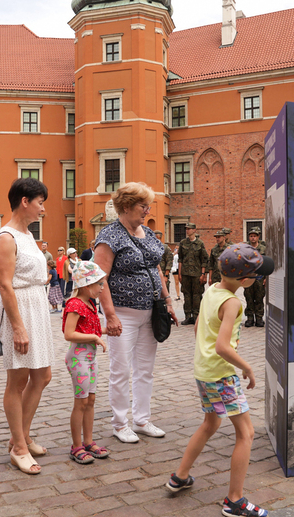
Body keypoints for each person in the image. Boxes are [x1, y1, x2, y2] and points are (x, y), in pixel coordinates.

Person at [165, 243, 273, 517]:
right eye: (257, 275)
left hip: (204, 371)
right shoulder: (234, 302)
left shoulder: (212, 290)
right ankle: (235, 500)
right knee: (246, 433)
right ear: (247, 280)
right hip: (222, 374)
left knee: (210, 423)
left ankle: (180, 476)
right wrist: (246, 367)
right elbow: (224, 346)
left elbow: (201, 323)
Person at [94, 182, 178, 443]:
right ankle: (120, 423)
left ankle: (142, 419)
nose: (147, 210)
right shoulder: (110, 236)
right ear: (127, 206)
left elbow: (156, 270)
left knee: (145, 369)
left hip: (150, 311)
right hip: (123, 313)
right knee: (121, 371)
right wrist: (110, 316)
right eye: (144, 206)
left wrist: (168, 301)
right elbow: (100, 279)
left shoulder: (149, 233)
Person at [0, 178, 54, 474]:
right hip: (20, 310)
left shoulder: (27, 234)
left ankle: (23, 435)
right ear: (25, 201)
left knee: (42, 376)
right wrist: (17, 327)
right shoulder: (6, 237)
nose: (43, 208)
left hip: (37, 307)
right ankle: (18, 447)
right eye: (40, 202)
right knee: (17, 381)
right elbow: (5, 285)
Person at [62, 261, 109, 464]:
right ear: (86, 285)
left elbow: (91, 328)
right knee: (80, 403)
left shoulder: (90, 304)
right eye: (99, 283)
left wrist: (107, 331)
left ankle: (89, 441)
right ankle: (76, 445)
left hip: (90, 359)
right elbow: (69, 334)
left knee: (90, 401)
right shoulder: (74, 304)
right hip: (78, 358)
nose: (102, 287)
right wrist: (95, 338)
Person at [178, 222, 208, 324]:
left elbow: (204, 260)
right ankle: (187, 315)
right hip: (185, 273)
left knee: (197, 295)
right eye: (186, 229)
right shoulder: (183, 243)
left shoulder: (200, 243)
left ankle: (196, 316)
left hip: (196, 274)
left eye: (189, 229)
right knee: (186, 295)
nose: (187, 231)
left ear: (194, 230)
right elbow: (180, 259)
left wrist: (203, 274)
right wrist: (179, 273)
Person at [243, 227, 267, 327]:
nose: (253, 238)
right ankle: (249, 318)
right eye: (251, 236)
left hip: (259, 277)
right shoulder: (245, 248)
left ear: (258, 237)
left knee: (259, 297)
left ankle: (259, 318)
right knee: (248, 297)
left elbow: (266, 264)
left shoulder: (263, 249)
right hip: (248, 277)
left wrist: (266, 278)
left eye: (255, 236)